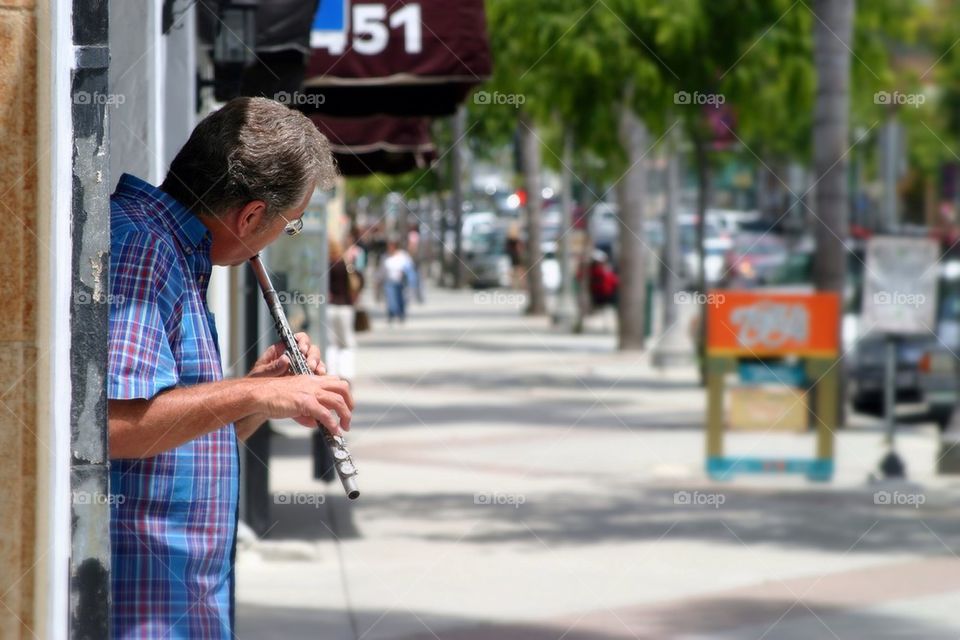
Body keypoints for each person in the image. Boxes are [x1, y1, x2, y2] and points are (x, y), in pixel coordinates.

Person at [107, 97, 352, 639]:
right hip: (143, 608)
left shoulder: (176, 251)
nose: (276, 238)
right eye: (288, 226)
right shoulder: (146, 249)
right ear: (251, 215)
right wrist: (251, 395)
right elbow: (112, 427)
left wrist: (263, 392)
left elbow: (182, 436)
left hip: (178, 603)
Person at [326, 237, 358, 381]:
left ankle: (332, 373)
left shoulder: (326, 265)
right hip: (345, 307)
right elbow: (358, 282)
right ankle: (346, 374)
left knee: (331, 343)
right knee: (346, 343)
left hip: (329, 307)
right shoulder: (345, 264)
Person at [377, 238, 418, 323]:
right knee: (390, 299)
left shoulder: (403, 255)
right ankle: (391, 314)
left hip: (401, 281)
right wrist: (378, 280)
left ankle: (401, 314)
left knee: (401, 299)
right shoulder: (385, 256)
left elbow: (409, 267)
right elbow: (381, 270)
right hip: (389, 281)